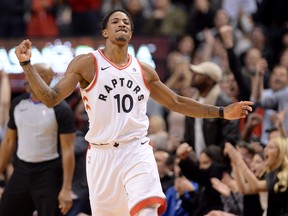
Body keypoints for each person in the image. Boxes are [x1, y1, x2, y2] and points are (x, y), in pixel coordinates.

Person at [14, 9, 253, 216]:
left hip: (136, 149)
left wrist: (223, 112)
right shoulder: (87, 63)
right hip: (101, 155)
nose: (122, 24)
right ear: (105, 32)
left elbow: (177, 102)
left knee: (146, 209)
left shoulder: (144, 71)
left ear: (131, 33)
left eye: (127, 22)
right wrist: (26, 65)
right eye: (116, 21)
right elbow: (50, 98)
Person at [0, 63, 76, 216]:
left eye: (32, 74)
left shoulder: (62, 109)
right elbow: (8, 142)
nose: (27, 78)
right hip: (21, 171)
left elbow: (68, 150)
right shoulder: (17, 104)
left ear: (46, 79)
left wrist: (66, 189)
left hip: (48, 174)